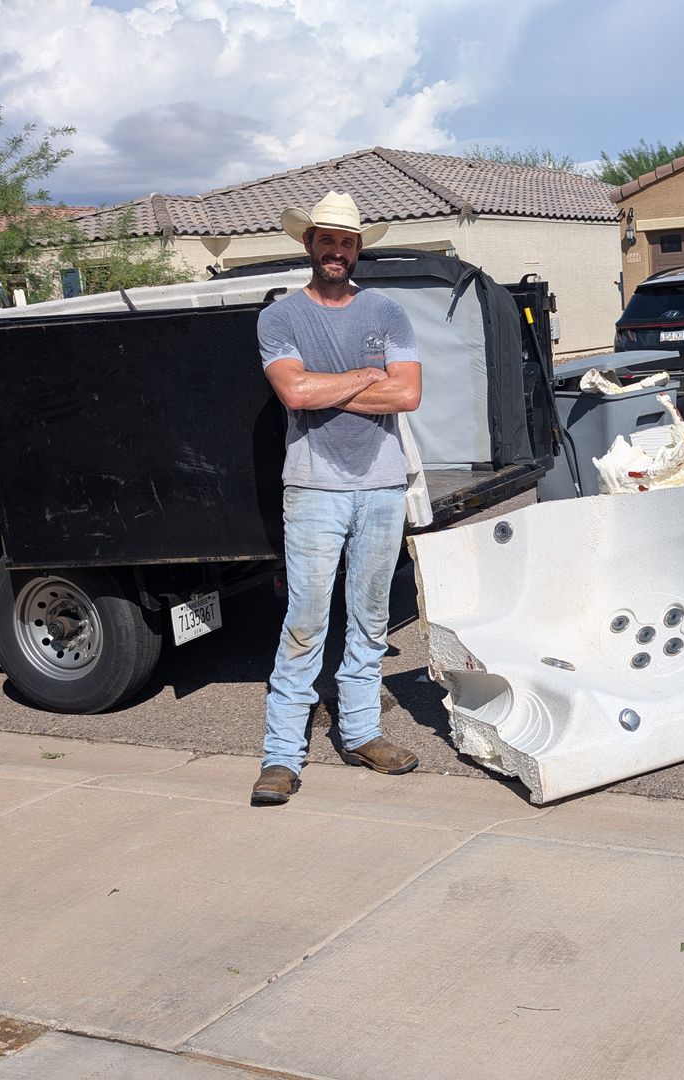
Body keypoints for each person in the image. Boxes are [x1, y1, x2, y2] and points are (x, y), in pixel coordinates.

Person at [251, 190, 422, 806]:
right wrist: (362, 378)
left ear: (357, 250)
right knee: (306, 620)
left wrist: (326, 387)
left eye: (347, 242)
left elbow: (406, 397)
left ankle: (362, 733)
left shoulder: (386, 312)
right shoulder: (281, 317)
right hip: (314, 485)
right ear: (309, 245)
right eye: (328, 240)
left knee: (370, 617)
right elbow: (293, 394)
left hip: (379, 483)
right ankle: (281, 756)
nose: (338, 251)